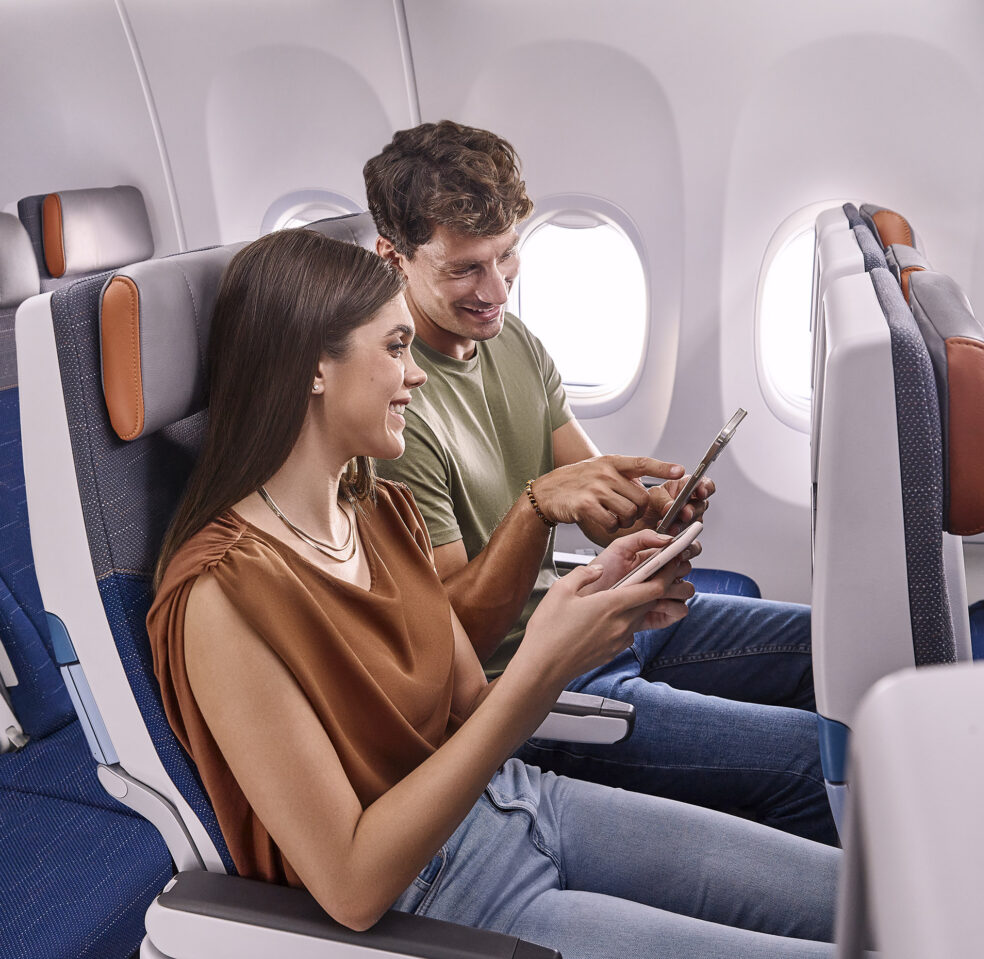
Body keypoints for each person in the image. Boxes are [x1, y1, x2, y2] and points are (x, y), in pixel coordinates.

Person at [147, 229, 840, 957]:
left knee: (864, 898)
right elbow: (351, 885)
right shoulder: (222, 595)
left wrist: (599, 600)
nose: (415, 375)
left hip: (518, 799)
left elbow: (475, 707)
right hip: (443, 896)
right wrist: (542, 662)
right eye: (394, 348)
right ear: (313, 368)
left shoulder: (381, 511)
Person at [369, 120, 838, 846]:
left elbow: (594, 497)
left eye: (507, 255)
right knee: (814, 762)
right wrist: (535, 509)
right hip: (535, 683)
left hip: (595, 613)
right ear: (392, 257)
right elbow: (457, 637)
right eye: (465, 269)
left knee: (834, 647)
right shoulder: (393, 411)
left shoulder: (512, 339)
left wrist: (652, 510)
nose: (496, 289)